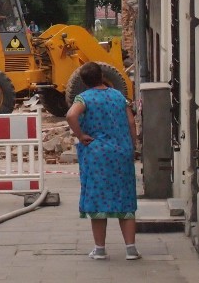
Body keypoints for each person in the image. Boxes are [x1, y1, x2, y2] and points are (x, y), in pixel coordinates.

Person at [66, 62, 140, 261]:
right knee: (125, 198)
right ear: (102, 76)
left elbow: (71, 115)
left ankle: (100, 249)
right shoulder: (119, 96)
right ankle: (131, 249)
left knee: (98, 200)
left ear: (84, 81)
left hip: (98, 155)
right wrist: (132, 145)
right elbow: (131, 122)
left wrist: (81, 135)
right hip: (121, 153)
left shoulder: (84, 98)